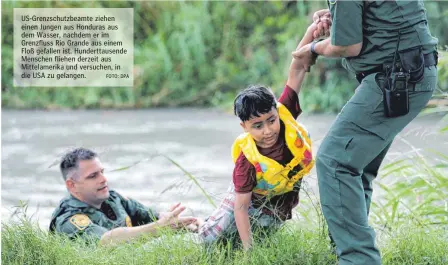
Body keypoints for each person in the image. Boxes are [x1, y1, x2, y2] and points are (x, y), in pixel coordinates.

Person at [292, 1, 438, 265]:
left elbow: (348, 47)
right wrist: (338, 20)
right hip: (408, 71)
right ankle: (350, 256)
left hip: (397, 76)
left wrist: (312, 49)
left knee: (335, 160)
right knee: (355, 165)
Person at [197, 22, 330, 250]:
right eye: (257, 126)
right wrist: (251, 254)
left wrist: (311, 32)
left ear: (277, 113)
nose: (268, 131)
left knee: (257, 241)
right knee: (211, 239)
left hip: (276, 202)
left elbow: (297, 67)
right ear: (244, 127)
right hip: (245, 198)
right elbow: (240, 208)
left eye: (271, 120)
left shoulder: (285, 115)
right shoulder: (246, 161)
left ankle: (244, 242)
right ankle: (198, 225)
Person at [49, 148, 201, 246]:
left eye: (102, 172)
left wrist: (185, 223)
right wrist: (160, 228)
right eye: (93, 176)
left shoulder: (114, 198)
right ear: (72, 185)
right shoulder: (68, 219)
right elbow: (107, 241)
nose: (103, 179)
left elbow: (152, 217)